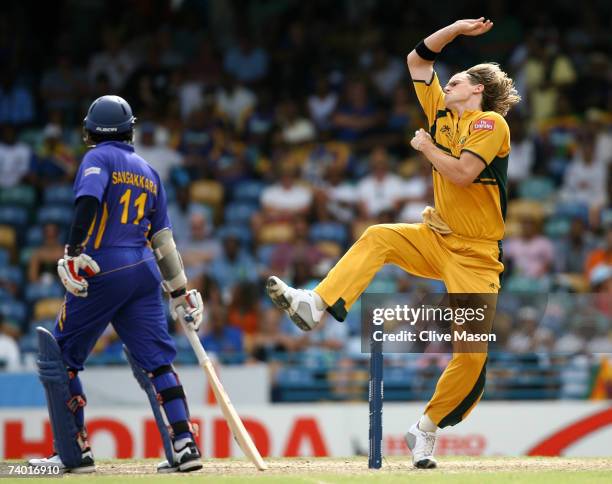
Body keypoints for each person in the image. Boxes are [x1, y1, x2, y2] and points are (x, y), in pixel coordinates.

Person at [266, 18, 520, 469]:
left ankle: (425, 430)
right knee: (378, 235)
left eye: (459, 78)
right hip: (437, 237)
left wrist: (425, 147)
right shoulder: (442, 110)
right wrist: (457, 29)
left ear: (477, 90)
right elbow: (418, 59)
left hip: (477, 256)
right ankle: (315, 303)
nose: (450, 80)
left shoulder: (490, 122)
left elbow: (462, 173)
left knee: (471, 358)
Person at [28, 96, 205, 474]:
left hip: (102, 265)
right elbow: (164, 243)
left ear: (91, 130)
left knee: (61, 357)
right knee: (158, 362)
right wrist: (178, 291)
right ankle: (184, 444)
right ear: (130, 129)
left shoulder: (97, 158)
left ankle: (75, 452)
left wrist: (74, 250)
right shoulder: (149, 171)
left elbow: (88, 203)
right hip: (144, 271)